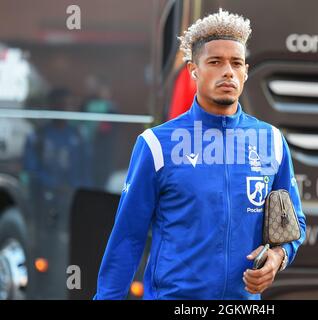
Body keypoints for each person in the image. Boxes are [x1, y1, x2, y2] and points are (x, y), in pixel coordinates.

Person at [94, 8, 306, 300]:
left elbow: (294, 223)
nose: (228, 71)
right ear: (194, 69)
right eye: (215, 62)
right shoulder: (155, 144)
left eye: (236, 63)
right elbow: (128, 237)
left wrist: (279, 255)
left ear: (245, 71)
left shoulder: (272, 141)